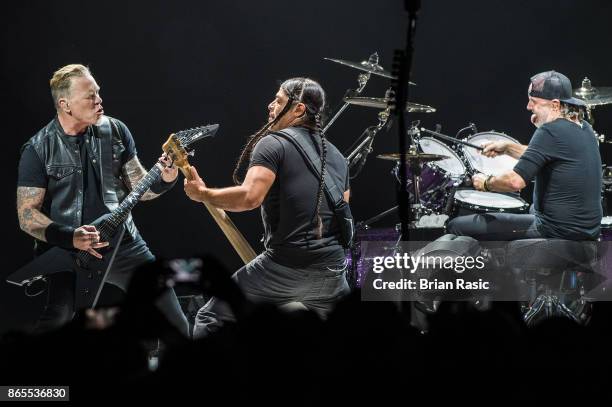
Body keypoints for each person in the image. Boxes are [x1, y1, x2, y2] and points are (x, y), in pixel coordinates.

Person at [16, 64, 189, 336]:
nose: (99, 100)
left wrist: (167, 177)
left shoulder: (116, 131)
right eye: (89, 96)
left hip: (124, 244)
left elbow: (141, 190)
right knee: (58, 323)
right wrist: (70, 236)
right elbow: (27, 216)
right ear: (66, 104)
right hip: (71, 253)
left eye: (98, 92)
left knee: (174, 319)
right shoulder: (38, 148)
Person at [184, 78, 351, 338]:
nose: (271, 105)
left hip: (285, 267)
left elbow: (249, 198)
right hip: (332, 272)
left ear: (298, 109)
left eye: (279, 101)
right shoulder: (338, 157)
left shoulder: (273, 143)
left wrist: (202, 194)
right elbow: (341, 214)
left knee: (211, 316)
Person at [447, 71, 602, 241]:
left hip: (557, 230)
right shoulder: (584, 127)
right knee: (533, 208)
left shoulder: (550, 131)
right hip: (588, 230)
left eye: (533, 102)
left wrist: (485, 182)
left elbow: (514, 182)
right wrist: (507, 148)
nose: (528, 107)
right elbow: (546, 154)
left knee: (457, 225)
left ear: (555, 105)